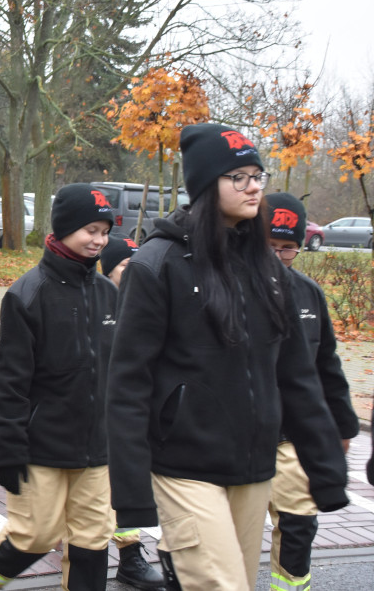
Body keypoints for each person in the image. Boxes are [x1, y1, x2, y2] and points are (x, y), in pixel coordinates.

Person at [107, 124, 349, 591]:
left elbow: (297, 375)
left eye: (257, 174)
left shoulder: (268, 270)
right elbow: (127, 384)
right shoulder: (157, 265)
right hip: (184, 468)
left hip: (253, 467)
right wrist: (132, 496)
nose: (254, 185)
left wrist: (324, 467)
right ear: (205, 184)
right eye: (237, 176)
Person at [0, 184, 117, 591]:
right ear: (65, 229)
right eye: (90, 230)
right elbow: (9, 382)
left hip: (96, 449)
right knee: (35, 535)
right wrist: (8, 448)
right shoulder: (28, 294)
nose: (99, 240)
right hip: (41, 447)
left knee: (93, 536)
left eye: (105, 231)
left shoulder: (108, 294)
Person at [264, 193, 359, 591]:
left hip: (291, 435)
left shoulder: (308, 294)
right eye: (271, 247)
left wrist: (344, 425)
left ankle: (289, 585)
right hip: (235, 432)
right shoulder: (220, 285)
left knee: (299, 521)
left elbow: (327, 365)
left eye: (289, 249)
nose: (280, 256)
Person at [97, 233, 166, 590]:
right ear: (109, 269)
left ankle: (130, 555)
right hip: (91, 418)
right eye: (126, 265)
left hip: (132, 417)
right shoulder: (96, 301)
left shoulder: (147, 305)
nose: (135, 271)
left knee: (128, 483)